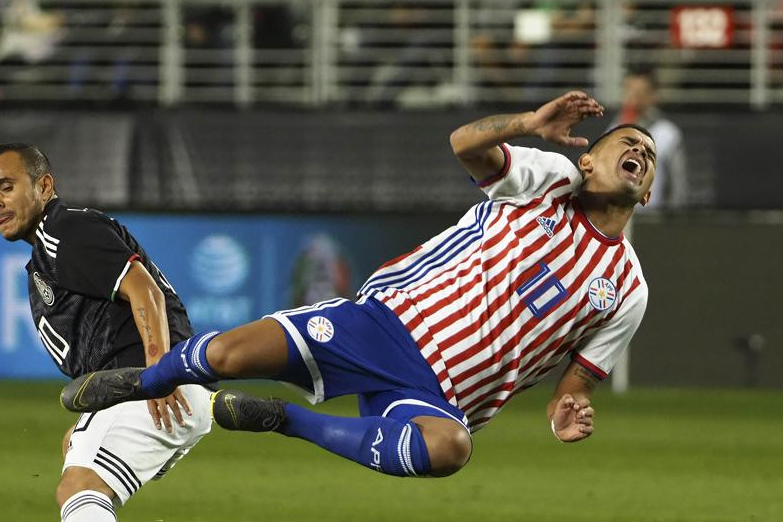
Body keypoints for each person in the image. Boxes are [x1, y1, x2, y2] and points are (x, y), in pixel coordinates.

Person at [63, 90, 652, 480]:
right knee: (227, 354)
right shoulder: (548, 180)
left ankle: (283, 420)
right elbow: (464, 145)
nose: (639, 152)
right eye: (625, 143)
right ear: (588, 163)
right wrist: (529, 123)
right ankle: (140, 381)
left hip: (442, 400)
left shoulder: (627, 288)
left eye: (648, 154)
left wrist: (565, 413)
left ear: (647, 192)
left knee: (450, 451)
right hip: (384, 323)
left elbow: (572, 390)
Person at [0, 144, 212, 522]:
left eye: (6, 185)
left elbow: (142, 288)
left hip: (157, 383)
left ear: (44, 186)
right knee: (78, 470)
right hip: (143, 385)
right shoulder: (45, 254)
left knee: (80, 483)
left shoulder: (68, 229)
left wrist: (158, 374)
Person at [613, 69, 690, 210]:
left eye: (640, 93)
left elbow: (678, 189)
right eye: (629, 91)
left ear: (653, 95)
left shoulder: (667, 133)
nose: (633, 98)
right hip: (617, 222)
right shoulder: (612, 131)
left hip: (651, 219)